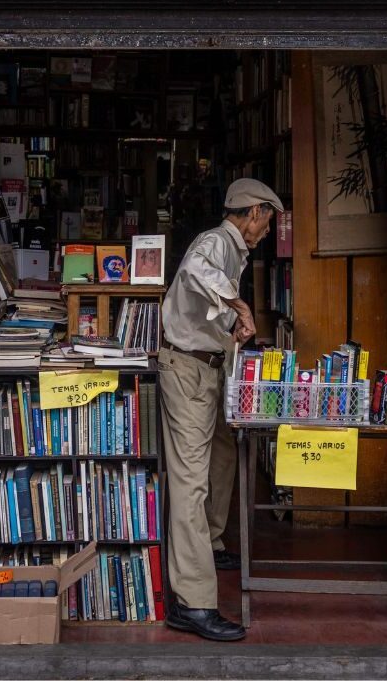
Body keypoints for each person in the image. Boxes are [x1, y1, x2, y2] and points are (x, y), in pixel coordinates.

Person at [159, 178, 281, 641]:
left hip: (210, 367)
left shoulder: (234, 248)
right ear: (253, 213)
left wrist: (234, 329)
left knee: (224, 450)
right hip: (188, 371)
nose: (269, 230)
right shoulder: (215, 241)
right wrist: (239, 303)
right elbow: (194, 271)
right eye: (267, 220)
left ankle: (210, 541)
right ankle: (192, 602)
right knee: (190, 480)